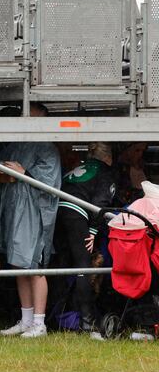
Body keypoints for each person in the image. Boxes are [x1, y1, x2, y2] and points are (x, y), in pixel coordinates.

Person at [0, 104, 62, 338]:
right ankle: (25, 319)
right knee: (19, 265)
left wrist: (22, 174)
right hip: (14, 213)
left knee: (35, 266)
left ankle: (39, 322)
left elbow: (50, 183)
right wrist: (8, 175)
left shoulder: (48, 149)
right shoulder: (15, 144)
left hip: (35, 214)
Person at [53, 142, 117, 339]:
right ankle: (87, 323)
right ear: (109, 157)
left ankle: (58, 315)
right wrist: (93, 230)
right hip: (76, 213)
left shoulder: (80, 166)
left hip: (57, 211)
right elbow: (101, 205)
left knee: (62, 264)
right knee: (84, 265)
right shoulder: (105, 172)